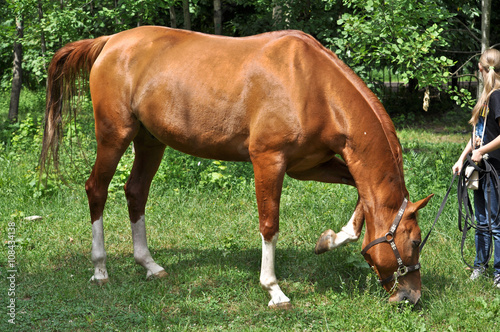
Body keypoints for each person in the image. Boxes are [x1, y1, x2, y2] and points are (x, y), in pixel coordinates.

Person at [452, 48, 500, 289]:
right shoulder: (485, 99)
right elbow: (477, 136)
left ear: (481, 70)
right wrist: (463, 158)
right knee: (480, 221)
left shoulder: (498, 97)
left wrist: (482, 152)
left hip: (494, 170)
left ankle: (499, 273)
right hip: (479, 169)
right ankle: (480, 266)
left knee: (495, 223)